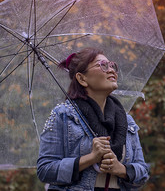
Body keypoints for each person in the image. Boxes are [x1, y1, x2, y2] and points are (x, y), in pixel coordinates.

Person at [37, 47, 149, 191]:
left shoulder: (127, 121)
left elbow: (143, 173)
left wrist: (120, 169)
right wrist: (91, 158)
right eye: (102, 65)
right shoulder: (63, 115)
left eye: (112, 65)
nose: (111, 70)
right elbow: (44, 170)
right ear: (82, 78)